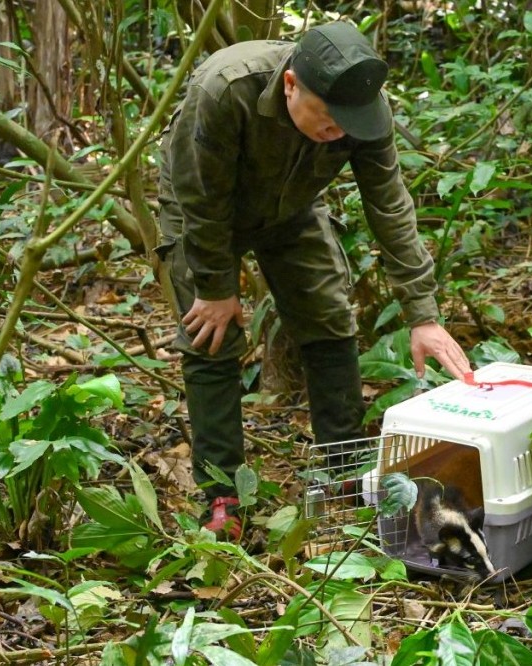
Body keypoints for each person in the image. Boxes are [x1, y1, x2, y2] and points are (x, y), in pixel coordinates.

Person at [156, 21, 471, 538]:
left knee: (328, 314)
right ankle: (222, 497)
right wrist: (216, 286)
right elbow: (201, 201)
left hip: (294, 202)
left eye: (350, 124)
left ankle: (343, 470)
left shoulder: (362, 111)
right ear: (290, 86)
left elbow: (389, 205)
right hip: (204, 206)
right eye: (329, 120)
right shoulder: (226, 88)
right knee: (210, 335)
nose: (341, 133)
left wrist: (423, 313)